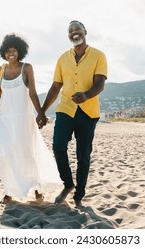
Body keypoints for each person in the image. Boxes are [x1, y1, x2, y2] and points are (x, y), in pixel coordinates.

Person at [0, 33, 62, 204]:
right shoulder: (1, 70)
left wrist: (40, 113)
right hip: (4, 119)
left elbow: (32, 93)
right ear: (3, 52)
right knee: (5, 155)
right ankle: (9, 191)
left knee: (27, 153)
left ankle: (38, 190)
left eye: (14, 50)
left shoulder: (27, 68)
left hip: (23, 119)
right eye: (8, 51)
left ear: (20, 52)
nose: (11, 53)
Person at [36, 20, 108, 208]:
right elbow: (55, 86)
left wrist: (86, 95)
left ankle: (79, 194)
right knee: (58, 146)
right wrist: (42, 111)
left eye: (77, 29)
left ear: (85, 32)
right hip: (65, 109)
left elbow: (100, 83)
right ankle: (68, 184)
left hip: (88, 112)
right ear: (68, 35)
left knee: (83, 155)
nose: (74, 32)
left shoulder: (99, 56)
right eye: (70, 31)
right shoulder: (62, 59)